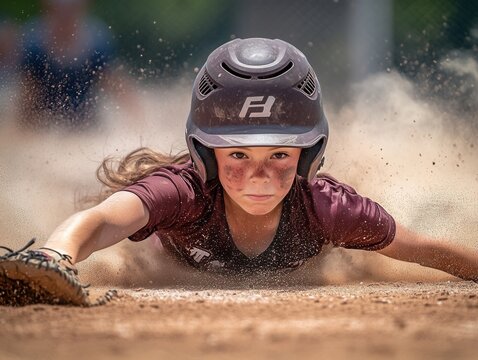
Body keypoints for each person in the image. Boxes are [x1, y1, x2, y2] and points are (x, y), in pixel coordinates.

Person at [38, 38, 478, 279]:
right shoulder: (182, 193)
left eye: (281, 154)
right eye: (239, 154)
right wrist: (54, 259)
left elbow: (424, 250)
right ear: (205, 155)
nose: (259, 175)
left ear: (310, 156)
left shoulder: (327, 209)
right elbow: (100, 222)